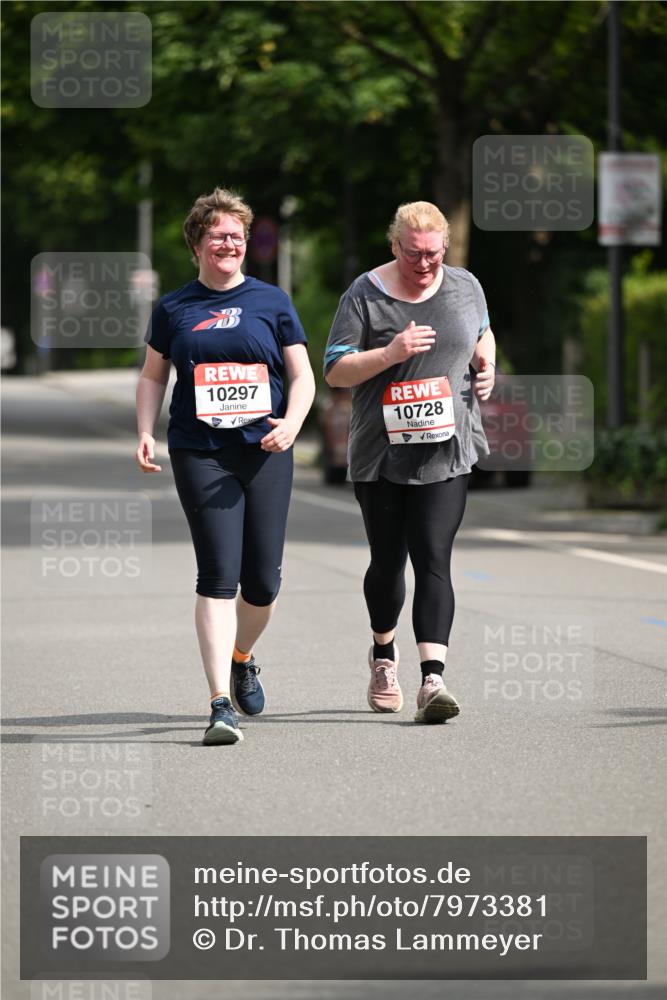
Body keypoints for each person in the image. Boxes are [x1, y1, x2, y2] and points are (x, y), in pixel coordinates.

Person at [135, 187, 315, 745]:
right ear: (197, 244)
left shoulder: (272, 301)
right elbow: (153, 376)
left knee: (262, 583)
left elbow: (303, 375)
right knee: (218, 574)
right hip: (200, 452)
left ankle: (242, 657)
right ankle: (219, 704)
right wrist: (144, 430)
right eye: (218, 236)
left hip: (265, 451)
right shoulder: (174, 308)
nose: (230, 244)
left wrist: (293, 422)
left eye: (237, 236)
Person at [324, 201, 495, 724]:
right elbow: (335, 370)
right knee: (387, 562)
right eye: (414, 253)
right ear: (394, 245)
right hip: (382, 451)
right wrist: (390, 353)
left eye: (434, 254)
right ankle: (383, 653)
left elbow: (482, 332)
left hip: (447, 447)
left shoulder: (465, 286)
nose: (424, 264)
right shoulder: (365, 294)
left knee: (433, 556)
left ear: (445, 247)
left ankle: (433, 680)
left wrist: (487, 363)